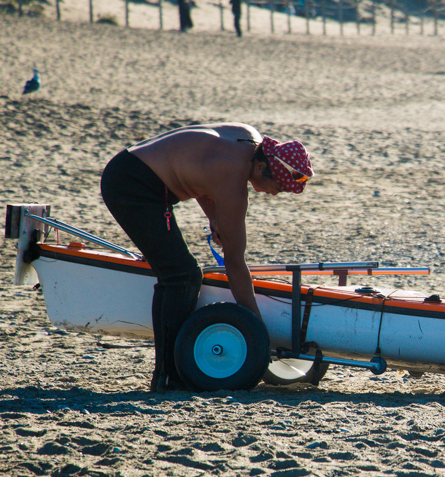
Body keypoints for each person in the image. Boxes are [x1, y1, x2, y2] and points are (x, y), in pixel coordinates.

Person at [100, 123, 314, 391]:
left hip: (129, 167)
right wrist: (257, 330)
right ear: (261, 168)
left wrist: (214, 216)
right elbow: (235, 263)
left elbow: (199, 170)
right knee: (181, 276)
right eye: (276, 188)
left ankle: (169, 373)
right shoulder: (233, 178)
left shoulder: (248, 139)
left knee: (182, 273)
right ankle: (168, 376)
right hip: (132, 184)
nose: (274, 194)